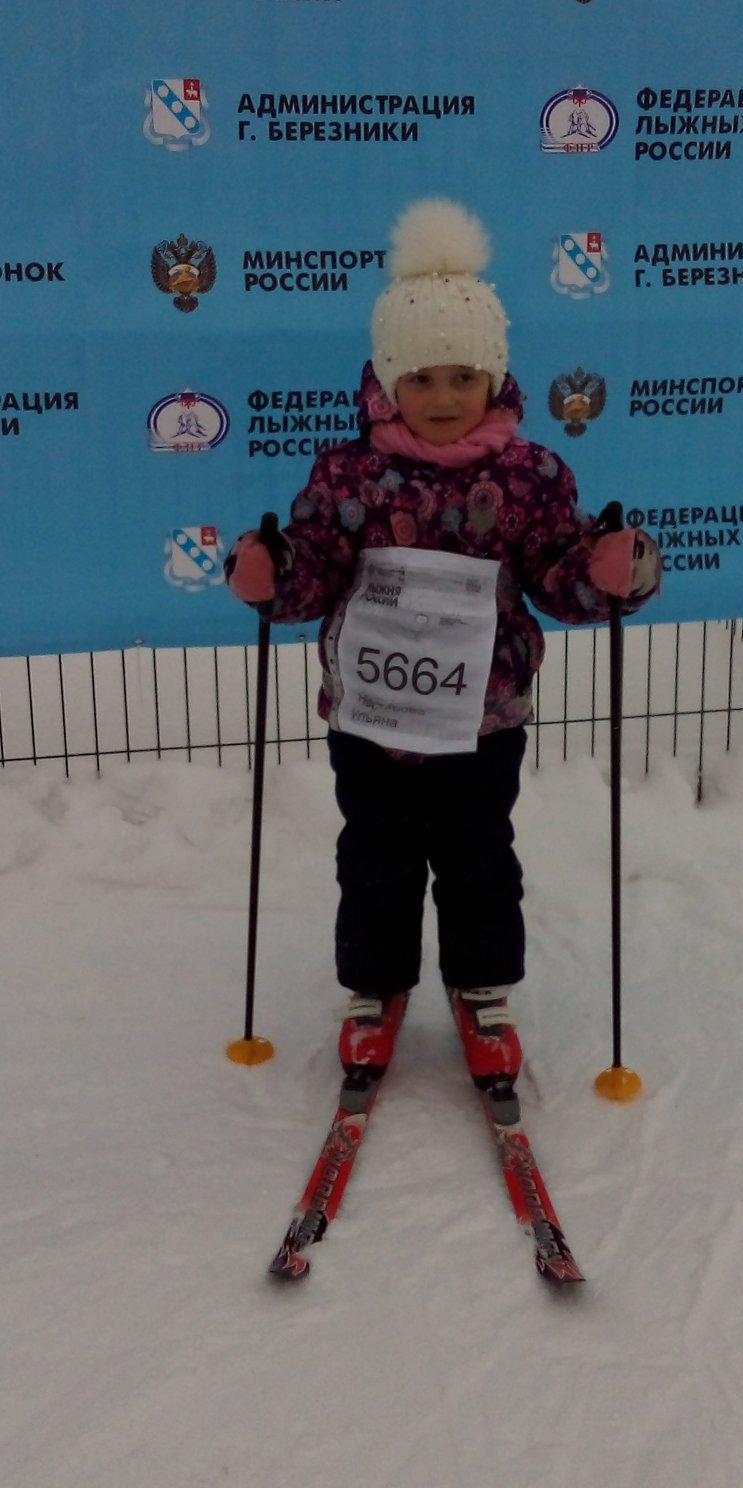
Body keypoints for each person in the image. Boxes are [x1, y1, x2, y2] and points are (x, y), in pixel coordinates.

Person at [225, 198, 660, 1094]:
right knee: (374, 859)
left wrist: (610, 572)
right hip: (372, 716)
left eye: (465, 376)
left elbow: (558, 574)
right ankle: (375, 989)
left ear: (496, 378)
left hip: (482, 720)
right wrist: (274, 573)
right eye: (421, 379)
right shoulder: (347, 473)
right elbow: (316, 566)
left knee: (478, 859)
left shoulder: (532, 477)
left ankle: (482, 989)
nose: (444, 398)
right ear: (388, 382)